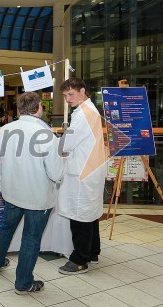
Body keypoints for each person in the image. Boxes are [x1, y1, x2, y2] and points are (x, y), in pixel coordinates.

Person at [0, 92, 64, 294]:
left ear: (19, 108)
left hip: (12, 193)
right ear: (39, 107)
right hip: (37, 198)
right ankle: (23, 283)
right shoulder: (47, 135)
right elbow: (56, 173)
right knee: (31, 239)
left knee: (6, 228)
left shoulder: (5, 130)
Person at [57, 77, 107, 275]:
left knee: (80, 216)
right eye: (65, 96)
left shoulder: (83, 114)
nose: (68, 99)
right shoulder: (89, 110)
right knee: (90, 212)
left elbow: (66, 145)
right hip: (90, 168)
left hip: (83, 170)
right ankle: (93, 252)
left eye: (71, 94)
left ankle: (79, 260)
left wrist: (58, 143)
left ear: (82, 91)